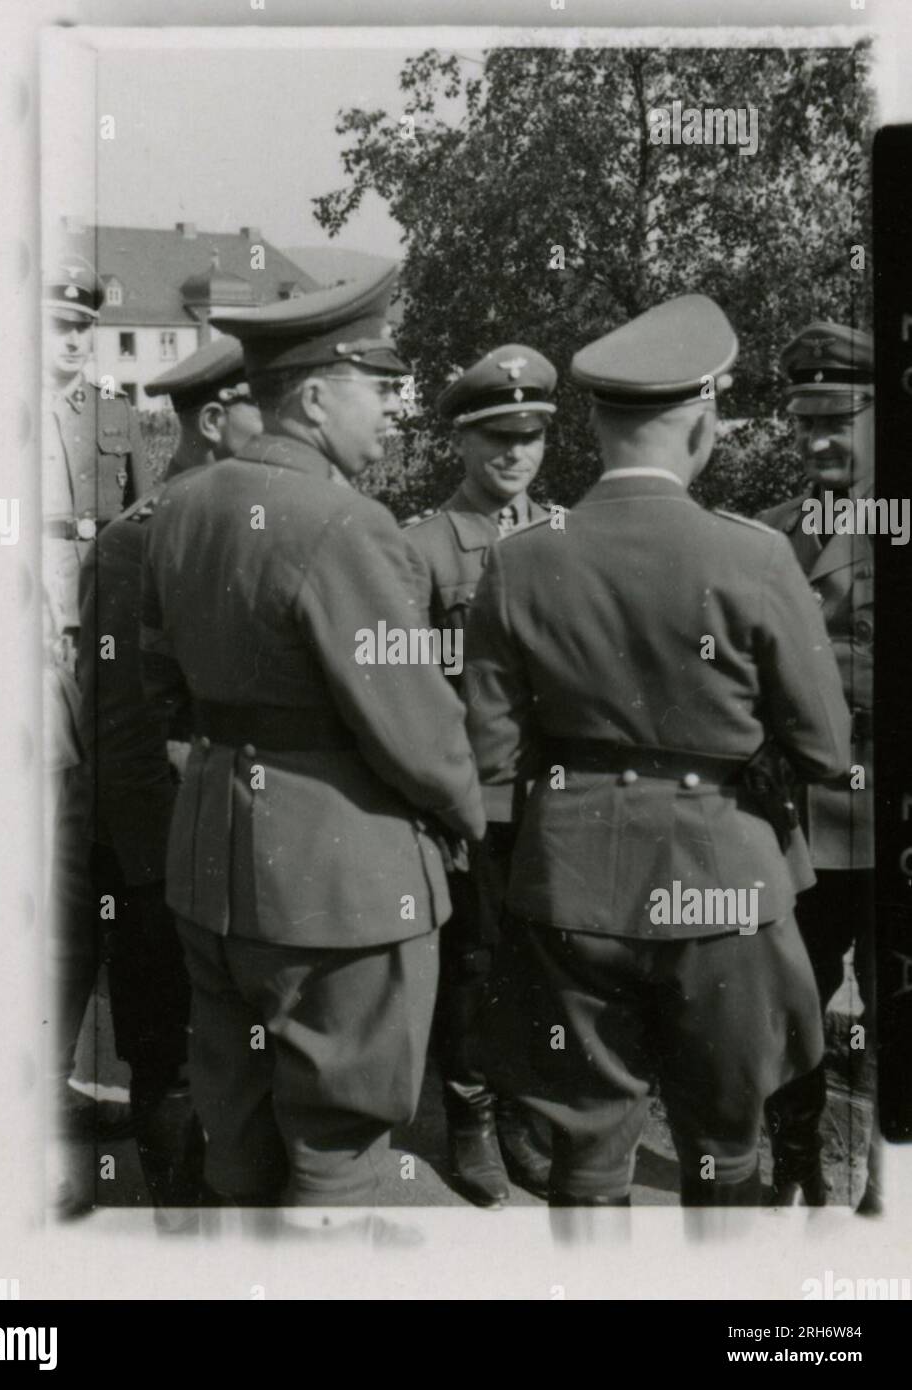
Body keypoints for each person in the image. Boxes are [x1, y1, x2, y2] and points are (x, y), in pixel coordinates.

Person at [464, 294, 851, 1208]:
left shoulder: (518, 560)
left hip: (571, 886)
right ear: (705, 427)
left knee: (587, 1156)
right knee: (725, 1146)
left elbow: (487, 762)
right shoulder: (754, 557)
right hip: (724, 884)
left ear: (593, 425)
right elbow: (828, 748)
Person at [140, 267, 485, 1238]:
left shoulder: (184, 506)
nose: (392, 412)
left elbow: (158, 668)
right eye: (379, 389)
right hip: (337, 886)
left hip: (212, 865)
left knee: (238, 1125)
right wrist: (468, 817)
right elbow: (418, 729)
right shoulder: (346, 524)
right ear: (319, 393)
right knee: (338, 1147)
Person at [74, 338, 262, 1219]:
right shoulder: (134, 541)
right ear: (216, 422)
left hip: (252, 847)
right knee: (176, 1060)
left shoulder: (269, 518)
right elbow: (125, 731)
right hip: (174, 859)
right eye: (273, 406)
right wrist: (155, 876)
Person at [403, 345, 557, 1207]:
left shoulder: (565, 532)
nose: (515, 454)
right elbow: (409, 696)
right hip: (475, 801)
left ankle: (527, 1116)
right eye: (498, 436)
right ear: (462, 441)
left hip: (558, 799)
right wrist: (439, 808)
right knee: (474, 964)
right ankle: (471, 1118)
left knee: (543, 963)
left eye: (531, 436)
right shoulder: (422, 548)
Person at [760, 323, 880, 1212]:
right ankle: (795, 1175)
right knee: (787, 1000)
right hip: (799, 821)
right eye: (806, 424)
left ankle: (889, 1186)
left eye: (839, 419)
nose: (819, 441)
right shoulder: (771, 538)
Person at [43, 256, 145, 1142]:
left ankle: (50, 1074)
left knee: (80, 873)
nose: (69, 342)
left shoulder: (117, 420)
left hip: (99, 667)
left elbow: (144, 533)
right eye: (53, 326)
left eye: (81, 328)